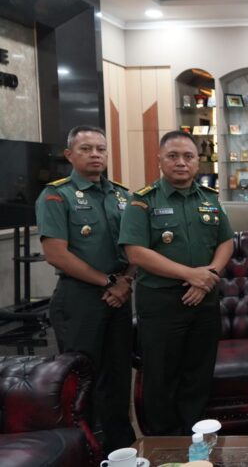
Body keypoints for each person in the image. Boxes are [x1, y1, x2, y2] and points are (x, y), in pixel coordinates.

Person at [119, 130, 234, 435]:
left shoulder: (210, 199)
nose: (181, 163)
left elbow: (226, 243)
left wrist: (207, 277)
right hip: (162, 303)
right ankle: (164, 443)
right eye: (173, 156)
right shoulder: (142, 202)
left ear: (198, 161)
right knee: (161, 376)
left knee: (198, 373)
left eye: (188, 156)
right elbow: (136, 252)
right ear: (160, 160)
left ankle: (196, 436)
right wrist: (189, 275)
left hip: (205, 299)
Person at [35, 125, 136, 454]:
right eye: (86, 149)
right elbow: (57, 254)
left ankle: (122, 448)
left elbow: (137, 245)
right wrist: (109, 282)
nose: (95, 155)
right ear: (69, 155)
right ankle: (85, 448)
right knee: (82, 380)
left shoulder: (123, 195)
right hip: (79, 298)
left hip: (120, 294)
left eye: (101, 149)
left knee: (119, 377)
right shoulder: (56, 194)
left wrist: (125, 281)